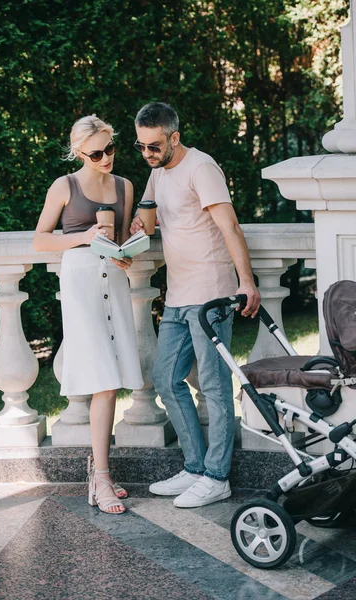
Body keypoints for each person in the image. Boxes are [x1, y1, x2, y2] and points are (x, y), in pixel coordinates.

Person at [131, 102, 260, 508]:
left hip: (212, 293)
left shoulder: (202, 168)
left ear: (174, 137)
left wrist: (247, 282)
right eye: (141, 146)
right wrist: (137, 223)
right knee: (167, 378)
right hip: (178, 293)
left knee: (215, 385)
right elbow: (150, 221)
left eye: (154, 145)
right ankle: (195, 467)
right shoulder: (157, 170)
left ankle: (217, 476)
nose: (148, 154)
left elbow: (230, 225)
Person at [34, 115, 143, 514]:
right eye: (96, 153)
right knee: (102, 377)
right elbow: (40, 239)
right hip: (80, 285)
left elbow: (122, 243)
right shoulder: (65, 186)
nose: (105, 157)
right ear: (79, 152)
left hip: (113, 281)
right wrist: (82, 237)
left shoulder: (124, 186)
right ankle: (100, 478)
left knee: (111, 381)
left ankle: (100, 473)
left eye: (110, 148)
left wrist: (128, 249)